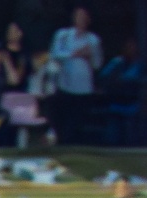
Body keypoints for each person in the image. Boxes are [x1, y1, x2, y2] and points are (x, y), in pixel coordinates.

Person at [48, 6, 98, 142]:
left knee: (78, 121)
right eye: (79, 16)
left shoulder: (93, 40)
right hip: (65, 84)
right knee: (62, 117)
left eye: (84, 17)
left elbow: (97, 64)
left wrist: (89, 56)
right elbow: (55, 53)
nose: (81, 19)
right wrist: (75, 53)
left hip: (84, 87)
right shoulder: (63, 35)